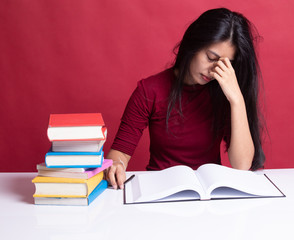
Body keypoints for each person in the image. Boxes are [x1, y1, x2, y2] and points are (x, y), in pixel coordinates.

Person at [105, 8, 266, 189]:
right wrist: (117, 165)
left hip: (208, 192)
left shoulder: (224, 93)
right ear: (193, 44)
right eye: (210, 58)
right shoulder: (149, 90)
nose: (214, 71)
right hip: (161, 190)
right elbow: (119, 154)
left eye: (223, 64)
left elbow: (242, 165)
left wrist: (236, 99)